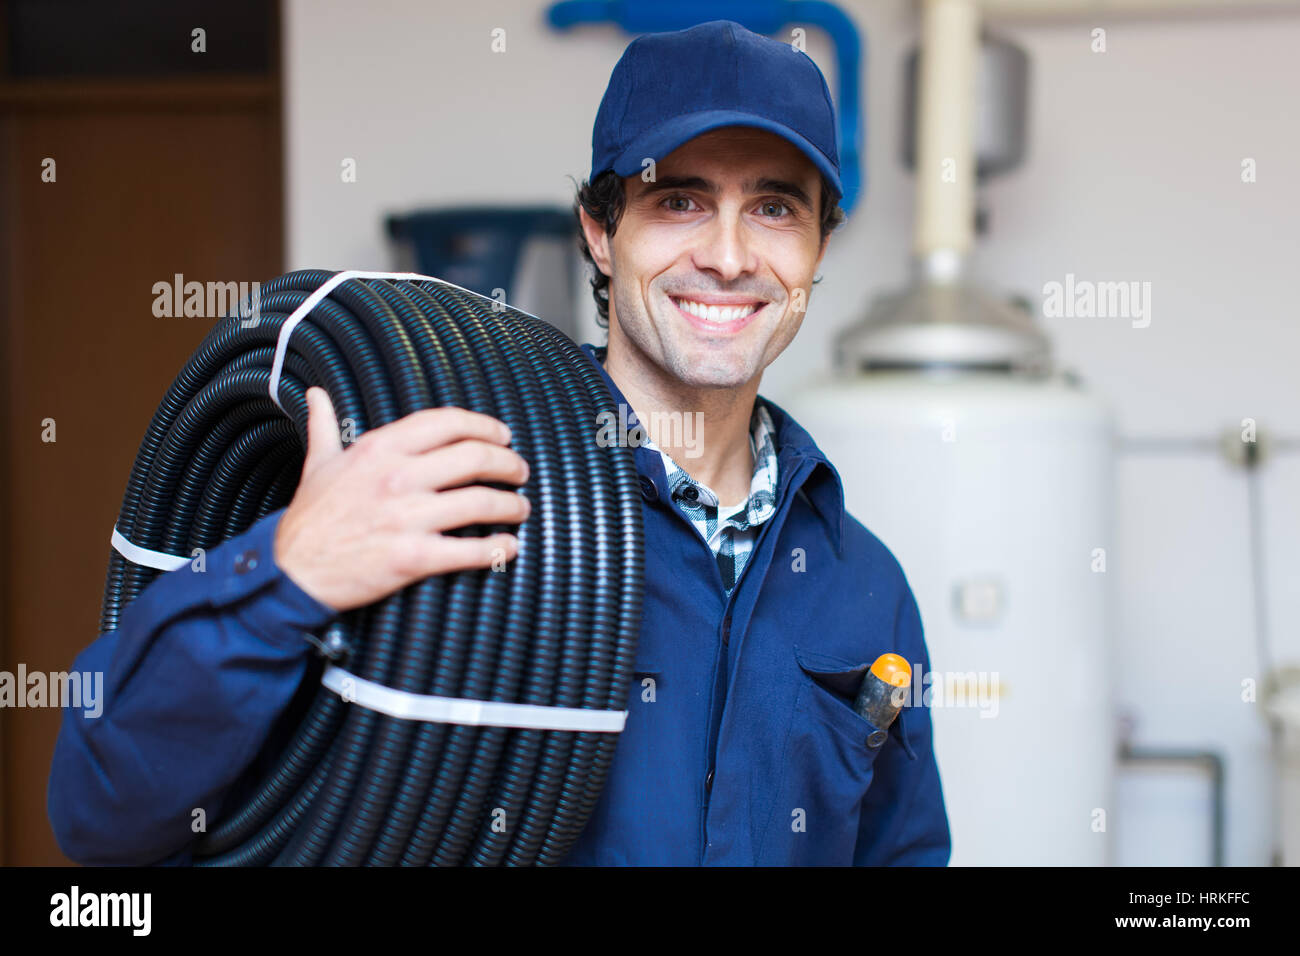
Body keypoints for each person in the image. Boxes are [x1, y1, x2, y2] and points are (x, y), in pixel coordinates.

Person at [48, 19, 950, 866]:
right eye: (678, 200)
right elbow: (102, 805)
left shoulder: (860, 586)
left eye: (775, 209)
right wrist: (291, 574)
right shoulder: (431, 485)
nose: (726, 254)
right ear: (601, 232)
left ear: (818, 246)